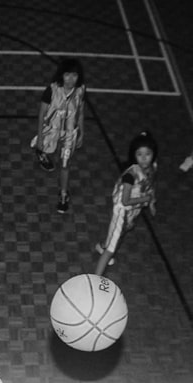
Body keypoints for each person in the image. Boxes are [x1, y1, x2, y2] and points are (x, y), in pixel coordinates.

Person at [94, 131, 158, 275]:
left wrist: (151, 202)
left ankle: (102, 246)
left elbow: (150, 185)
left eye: (147, 154)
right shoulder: (130, 176)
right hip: (122, 211)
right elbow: (125, 200)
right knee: (111, 250)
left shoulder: (152, 168)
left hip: (132, 211)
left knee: (121, 233)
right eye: (139, 154)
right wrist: (146, 199)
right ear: (134, 155)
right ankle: (95, 279)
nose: (144, 158)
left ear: (153, 154)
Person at [30, 57, 86, 213]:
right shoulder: (52, 90)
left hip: (69, 133)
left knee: (65, 164)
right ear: (61, 75)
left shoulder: (80, 91)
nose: (70, 79)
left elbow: (81, 112)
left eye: (74, 75)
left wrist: (81, 133)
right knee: (44, 146)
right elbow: (42, 115)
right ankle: (41, 151)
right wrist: (40, 136)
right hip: (51, 129)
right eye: (67, 75)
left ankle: (63, 194)